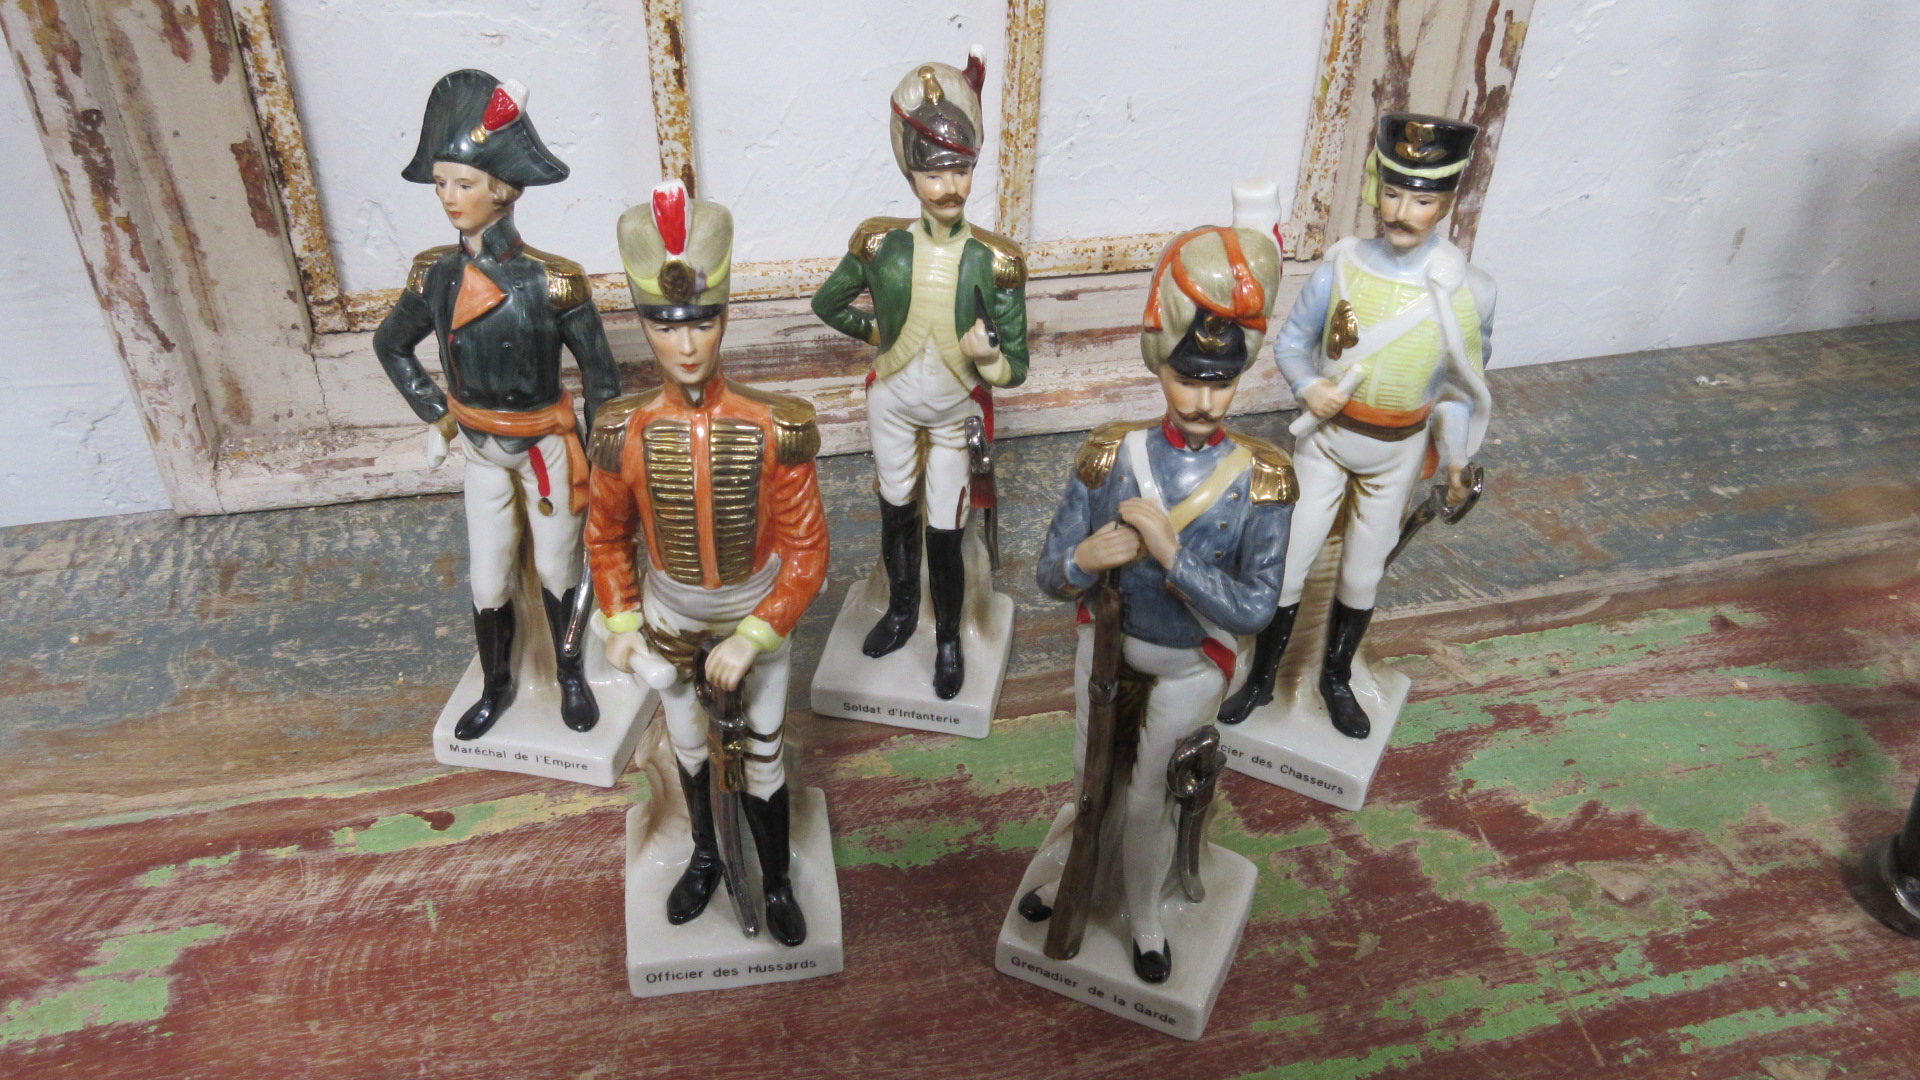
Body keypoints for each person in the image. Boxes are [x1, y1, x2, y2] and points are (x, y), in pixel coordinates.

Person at [1022, 224, 1293, 983]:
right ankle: (1072, 875)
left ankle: (1142, 912)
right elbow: (1048, 574)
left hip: (1188, 664)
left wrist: (1174, 558)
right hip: (1105, 653)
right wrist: (1084, 559)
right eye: (1187, 377)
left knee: (1149, 798)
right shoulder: (1110, 455)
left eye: (1221, 382)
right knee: (1091, 782)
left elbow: (1255, 609)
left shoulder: (1262, 479)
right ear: (1159, 365)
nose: (1204, 399)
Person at [586, 182, 828, 946]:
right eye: (665, 324)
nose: (686, 344)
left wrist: (754, 636)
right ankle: (705, 855)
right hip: (672, 620)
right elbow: (606, 538)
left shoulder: (774, 427)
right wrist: (623, 624)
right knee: (689, 749)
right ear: (644, 324)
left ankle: (775, 878)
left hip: (753, 613)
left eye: (702, 320)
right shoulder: (622, 431)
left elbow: (807, 551)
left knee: (763, 755)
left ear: (725, 317)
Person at [1218, 113, 1495, 739]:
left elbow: (1458, 391)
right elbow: (1293, 343)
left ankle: (1336, 677)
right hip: (1329, 441)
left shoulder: (1469, 291)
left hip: (1399, 449)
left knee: (1363, 573)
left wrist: (1456, 459)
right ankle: (1262, 678)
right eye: (1392, 193)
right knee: (1289, 559)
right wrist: (1309, 386)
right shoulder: (1342, 267)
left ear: (1446, 202)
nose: (1401, 212)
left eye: (1421, 200)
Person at [373, 70, 620, 740]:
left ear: (502, 190)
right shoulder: (434, 274)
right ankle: (497, 683)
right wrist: (435, 412)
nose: (449, 198)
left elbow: (601, 379)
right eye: (442, 184)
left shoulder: (555, 281)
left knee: (560, 566)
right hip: (480, 448)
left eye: (463, 183)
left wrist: (604, 459)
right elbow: (391, 345)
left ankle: (570, 674)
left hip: (546, 447)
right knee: (487, 579)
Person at [810, 53, 1028, 700]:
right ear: (911, 173)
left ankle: (949, 637)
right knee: (896, 510)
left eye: (960, 169)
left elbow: (1015, 366)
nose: (949, 186)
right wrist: (877, 333)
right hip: (894, 402)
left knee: (947, 528)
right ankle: (902, 611)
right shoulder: (881, 245)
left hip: (956, 410)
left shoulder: (997, 259)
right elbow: (827, 303)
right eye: (934, 172)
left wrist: (986, 356)